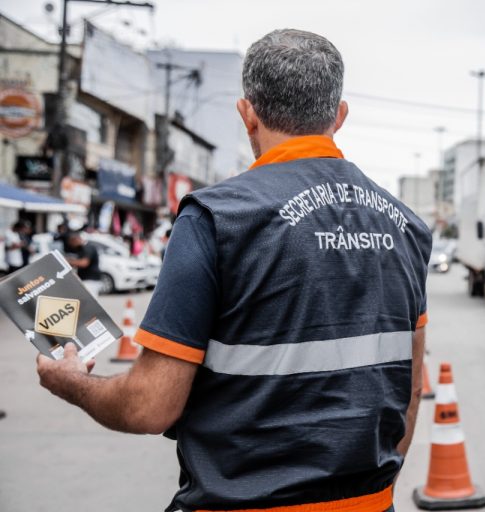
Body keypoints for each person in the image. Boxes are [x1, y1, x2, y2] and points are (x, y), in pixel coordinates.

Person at [36, 28, 431, 512]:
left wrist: (71, 381)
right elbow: (411, 388)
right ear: (339, 115)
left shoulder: (217, 217)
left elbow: (149, 406)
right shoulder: (408, 225)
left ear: (247, 113)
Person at [64, 231, 101, 298]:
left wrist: (69, 261)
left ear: (75, 239)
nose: (71, 245)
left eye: (71, 242)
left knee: (90, 301)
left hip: (90, 280)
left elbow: (84, 263)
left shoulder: (87, 248)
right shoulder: (81, 249)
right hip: (87, 279)